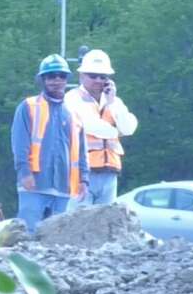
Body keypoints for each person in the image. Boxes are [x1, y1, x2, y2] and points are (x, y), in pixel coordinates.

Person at [11, 54, 89, 233]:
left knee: (57, 239)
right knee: (28, 233)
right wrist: (24, 173)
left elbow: (81, 151)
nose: (56, 80)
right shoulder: (29, 107)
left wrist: (84, 179)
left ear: (66, 79)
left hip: (64, 187)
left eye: (61, 76)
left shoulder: (74, 113)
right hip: (35, 184)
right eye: (51, 76)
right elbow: (19, 143)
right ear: (43, 79)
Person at [64, 49, 138, 208]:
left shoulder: (114, 101)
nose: (98, 80)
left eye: (103, 76)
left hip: (109, 173)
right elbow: (90, 125)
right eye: (93, 75)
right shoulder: (72, 98)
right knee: (79, 219)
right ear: (81, 76)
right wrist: (116, 131)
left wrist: (112, 103)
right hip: (81, 173)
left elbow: (128, 128)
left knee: (105, 220)